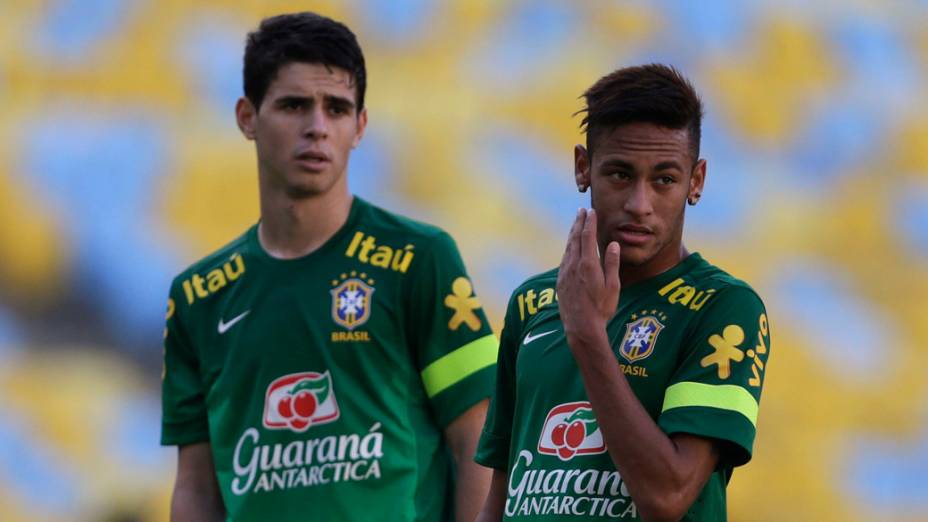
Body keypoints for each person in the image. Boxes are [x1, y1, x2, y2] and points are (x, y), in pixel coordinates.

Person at [160, 12, 496, 521]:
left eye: (336, 108)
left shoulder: (420, 259)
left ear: (359, 126)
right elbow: (196, 488)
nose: (317, 128)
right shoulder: (197, 297)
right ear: (247, 116)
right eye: (294, 105)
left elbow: (479, 444)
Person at [475, 64, 772, 521]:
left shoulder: (723, 309)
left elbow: (668, 496)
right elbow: (503, 490)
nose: (639, 203)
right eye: (619, 174)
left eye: (664, 179)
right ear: (582, 168)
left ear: (696, 181)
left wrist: (589, 336)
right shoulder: (532, 302)